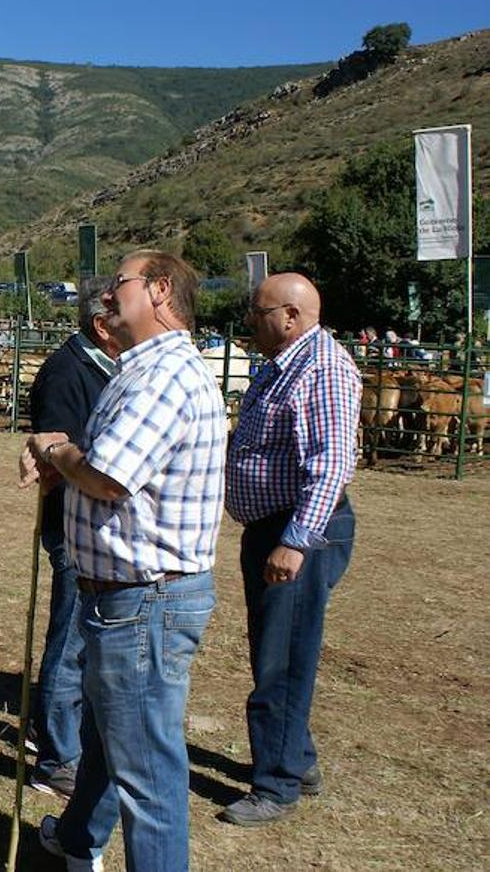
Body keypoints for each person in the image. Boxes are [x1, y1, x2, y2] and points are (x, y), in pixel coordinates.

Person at [20, 250, 226, 871]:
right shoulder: (141, 369)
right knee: (114, 745)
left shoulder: (162, 376)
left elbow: (109, 476)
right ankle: (78, 842)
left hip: (144, 599)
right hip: (131, 596)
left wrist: (57, 453)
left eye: (121, 284)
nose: (108, 295)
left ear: (160, 290)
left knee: (148, 778)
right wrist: (66, 467)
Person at [219, 272, 361, 827]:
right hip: (273, 529)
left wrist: (296, 540)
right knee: (272, 648)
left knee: (283, 656)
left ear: (291, 316)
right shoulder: (284, 366)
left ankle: (275, 785)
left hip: (297, 530)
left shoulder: (321, 368)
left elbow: (329, 462)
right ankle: (295, 760)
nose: (251, 320)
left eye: (259, 312)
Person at [20, 279, 120, 798]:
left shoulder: (102, 368)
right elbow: (55, 447)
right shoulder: (66, 373)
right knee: (72, 639)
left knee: (79, 637)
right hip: (73, 526)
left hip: (94, 525)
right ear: (102, 326)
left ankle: (56, 736)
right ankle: (57, 756)